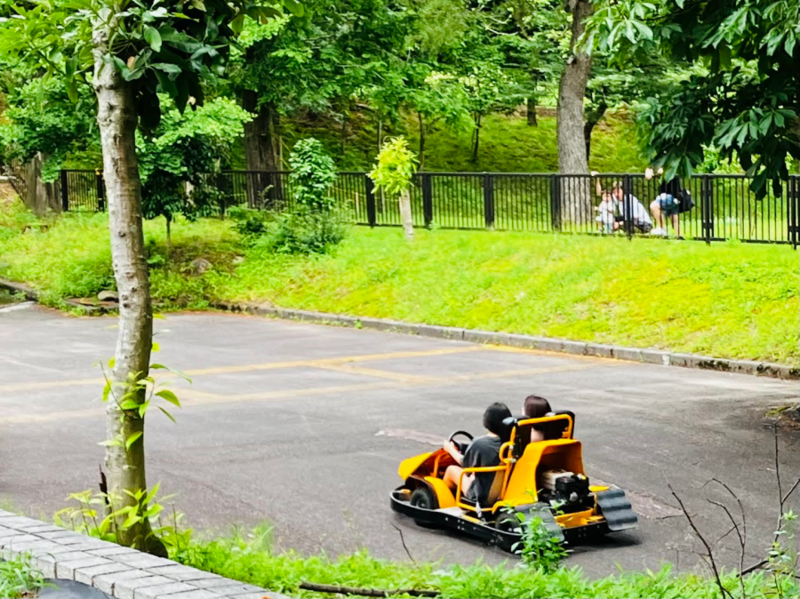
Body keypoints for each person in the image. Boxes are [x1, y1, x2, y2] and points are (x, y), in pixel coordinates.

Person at [442, 402, 512, 506]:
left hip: (482, 494)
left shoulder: (479, 444)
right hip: (505, 488)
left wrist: (450, 449)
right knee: (474, 474)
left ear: (486, 421)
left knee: (451, 470)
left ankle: (448, 503)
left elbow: (464, 465)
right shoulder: (511, 442)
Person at [646, 167, 683, 238]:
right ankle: (679, 236)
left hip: (671, 195)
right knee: (673, 217)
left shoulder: (670, 163)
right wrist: (648, 170)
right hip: (673, 196)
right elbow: (652, 168)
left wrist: (652, 172)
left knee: (654, 206)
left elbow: (661, 170)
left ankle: (662, 229)